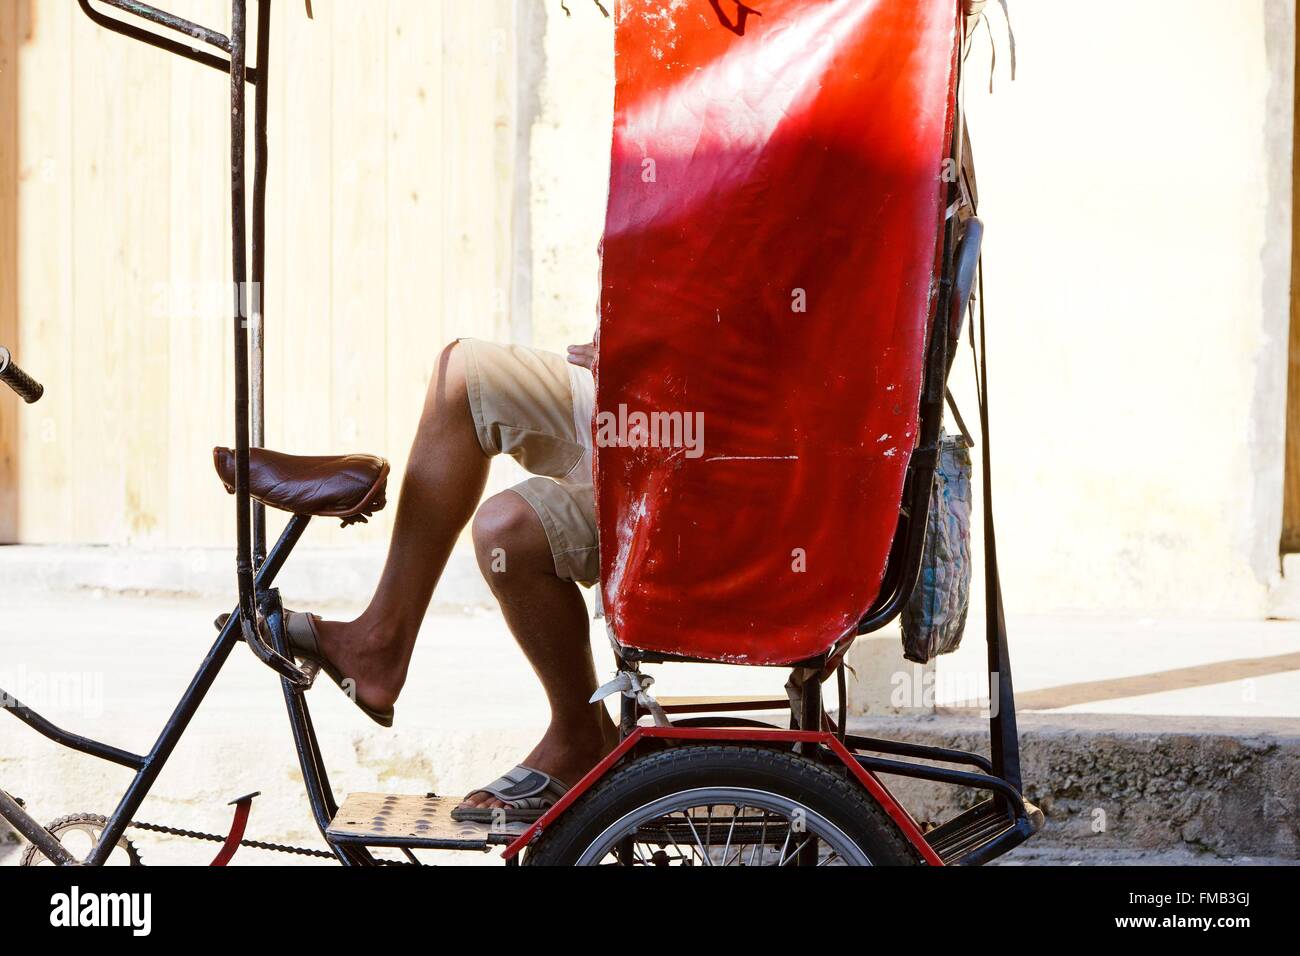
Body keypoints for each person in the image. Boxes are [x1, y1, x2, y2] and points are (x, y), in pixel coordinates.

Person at [279, 337, 612, 822]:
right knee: (464, 374)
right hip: (641, 394)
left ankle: (581, 733)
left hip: (705, 436)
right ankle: (380, 643)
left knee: (506, 533)